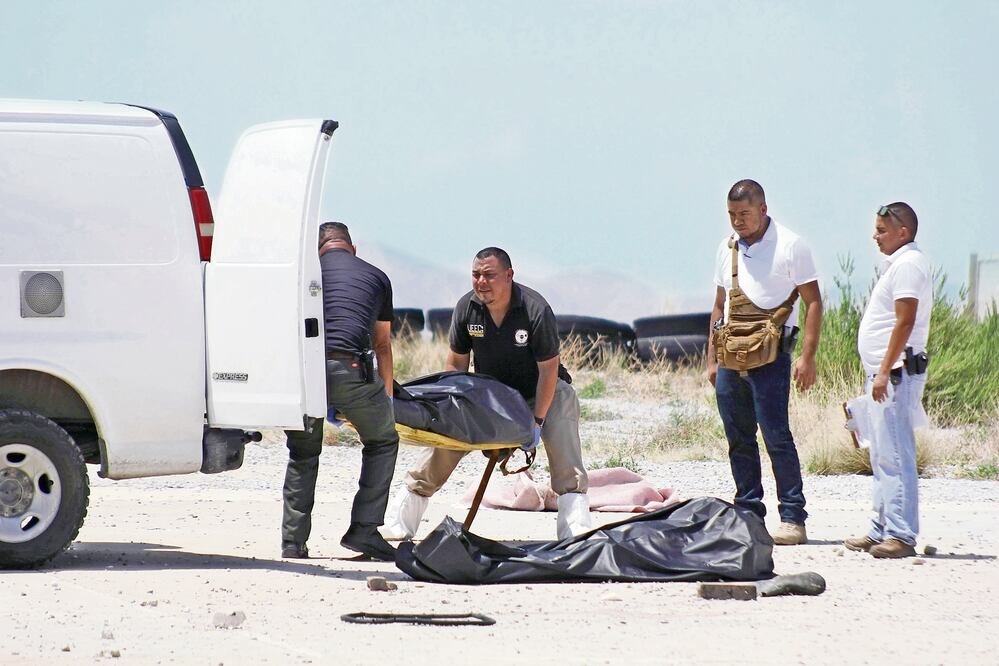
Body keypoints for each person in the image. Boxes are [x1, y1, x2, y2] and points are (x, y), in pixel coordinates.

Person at [381, 247, 592, 541]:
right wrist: (449, 411)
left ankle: (575, 527)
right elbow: (456, 364)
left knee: (563, 417)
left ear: (509, 275)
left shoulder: (535, 309)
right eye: (476, 275)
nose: (481, 282)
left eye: (489, 275)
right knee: (446, 439)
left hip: (540, 391)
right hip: (491, 395)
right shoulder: (466, 308)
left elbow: (549, 371)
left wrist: (537, 422)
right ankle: (400, 522)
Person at [706, 179, 823, 545]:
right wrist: (711, 360)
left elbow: (814, 302)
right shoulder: (726, 248)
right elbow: (719, 305)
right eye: (731, 214)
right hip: (730, 355)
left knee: (776, 436)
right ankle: (748, 514)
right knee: (738, 436)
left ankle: (792, 518)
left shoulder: (791, 246)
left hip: (772, 357)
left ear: (763, 209)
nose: (737, 221)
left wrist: (808, 357)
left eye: (744, 213)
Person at [281, 222, 399, 561]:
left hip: (306, 373)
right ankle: (364, 530)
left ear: (317, 250)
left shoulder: (303, 274)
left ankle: (293, 543)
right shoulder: (376, 276)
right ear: (353, 248)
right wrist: (385, 400)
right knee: (382, 441)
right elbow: (382, 344)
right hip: (352, 370)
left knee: (303, 454)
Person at [845, 203, 931, 559]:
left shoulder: (908, 265)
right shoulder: (898, 265)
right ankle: (880, 528)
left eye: (882, 230)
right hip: (885, 373)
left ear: (902, 232)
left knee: (895, 453)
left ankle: (901, 533)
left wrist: (884, 370)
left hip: (894, 373)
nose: (875, 236)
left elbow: (904, 321)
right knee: (881, 453)